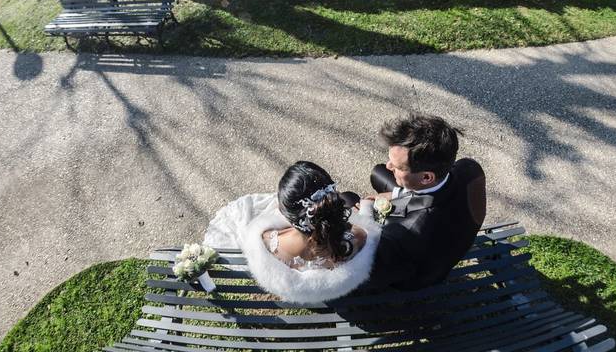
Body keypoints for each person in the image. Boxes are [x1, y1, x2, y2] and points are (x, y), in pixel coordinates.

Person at [203, 161, 380, 303]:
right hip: (337, 296)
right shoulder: (359, 237)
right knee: (351, 197)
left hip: (303, 296)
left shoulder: (267, 241)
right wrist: (366, 207)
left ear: (286, 215)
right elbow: (366, 228)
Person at [366, 114, 487, 290]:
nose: (389, 166)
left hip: (419, 277)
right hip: (452, 226)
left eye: (398, 167)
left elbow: (371, 275)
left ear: (426, 177)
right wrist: (396, 194)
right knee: (378, 172)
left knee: (349, 199)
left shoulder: (404, 231)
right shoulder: (470, 169)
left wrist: (366, 213)